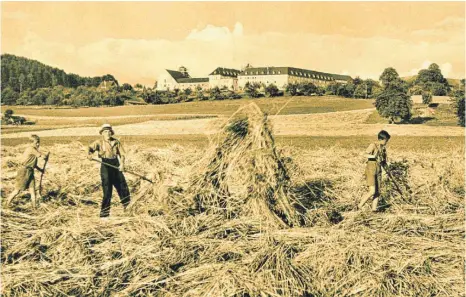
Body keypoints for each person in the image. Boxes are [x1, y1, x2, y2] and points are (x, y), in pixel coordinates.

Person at [88, 124, 130, 218]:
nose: (108, 133)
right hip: (105, 166)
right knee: (107, 191)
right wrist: (90, 155)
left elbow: (122, 155)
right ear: (102, 133)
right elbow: (90, 149)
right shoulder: (98, 142)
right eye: (106, 131)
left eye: (109, 131)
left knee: (123, 187)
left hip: (116, 166)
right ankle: (104, 215)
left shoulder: (116, 142)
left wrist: (122, 164)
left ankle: (128, 209)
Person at [6, 135, 47, 209]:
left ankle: (34, 207)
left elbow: (33, 164)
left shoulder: (34, 150)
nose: (38, 144)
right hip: (24, 171)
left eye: (39, 142)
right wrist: (46, 156)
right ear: (31, 143)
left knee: (32, 190)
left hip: (30, 172)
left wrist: (40, 169)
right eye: (36, 142)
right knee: (17, 190)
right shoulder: (31, 149)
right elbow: (41, 156)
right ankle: (7, 204)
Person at [358, 130, 391, 212]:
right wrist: (374, 157)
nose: (386, 142)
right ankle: (360, 205)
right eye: (386, 140)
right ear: (381, 139)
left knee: (377, 192)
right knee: (372, 191)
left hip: (378, 170)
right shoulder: (373, 145)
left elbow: (383, 162)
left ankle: (374, 209)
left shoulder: (383, 149)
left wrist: (388, 171)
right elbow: (363, 155)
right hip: (371, 170)